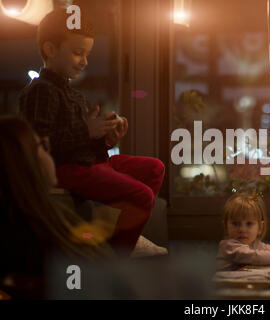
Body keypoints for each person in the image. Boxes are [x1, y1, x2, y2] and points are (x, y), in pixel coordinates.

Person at [19, 8, 165, 256]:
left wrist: (105, 138)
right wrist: (87, 130)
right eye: (78, 53)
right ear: (50, 49)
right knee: (142, 196)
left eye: (87, 54)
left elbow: (81, 140)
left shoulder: (72, 93)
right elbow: (41, 144)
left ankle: (127, 232)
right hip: (65, 169)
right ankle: (115, 255)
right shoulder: (41, 91)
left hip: (87, 161)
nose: (84, 61)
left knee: (154, 168)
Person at [0, 116, 114, 298]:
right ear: (27, 162)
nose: (50, 154)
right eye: (43, 146)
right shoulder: (42, 237)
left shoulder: (21, 226)